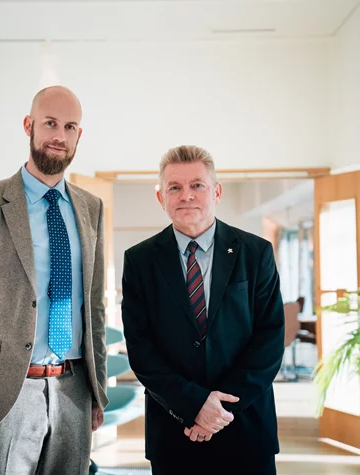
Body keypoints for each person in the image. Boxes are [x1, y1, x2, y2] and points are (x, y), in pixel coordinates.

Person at [0, 86, 108, 475]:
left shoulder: (91, 208)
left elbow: (93, 307)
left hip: (73, 389)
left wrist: (96, 391)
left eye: (69, 126)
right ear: (29, 125)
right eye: (50, 123)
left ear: (78, 135)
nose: (59, 135)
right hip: (2, 398)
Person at [121, 145, 285, 474]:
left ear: (217, 191)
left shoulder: (256, 253)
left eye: (197, 185)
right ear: (161, 197)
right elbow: (141, 349)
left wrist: (218, 411)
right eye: (175, 188)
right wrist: (195, 405)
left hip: (246, 429)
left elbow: (269, 341)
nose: (187, 196)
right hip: (175, 431)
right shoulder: (140, 261)